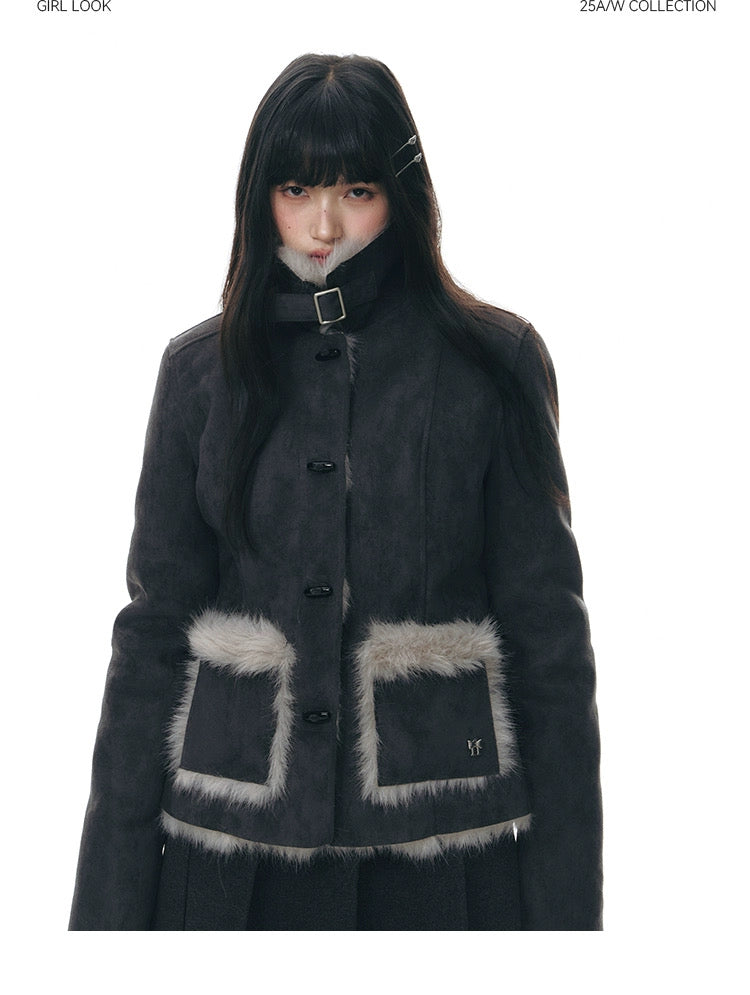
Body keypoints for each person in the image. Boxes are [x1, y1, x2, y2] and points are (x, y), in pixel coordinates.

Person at [69, 53, 603, 931]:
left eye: (357, 189)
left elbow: (551, 645)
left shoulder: (491, 364)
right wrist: (104, 923)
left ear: (403, 194)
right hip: (228, 865)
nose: (324, 224)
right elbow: (150, 638)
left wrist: (569, 925)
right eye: (296, 188)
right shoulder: (200, 372)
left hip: (443, 860)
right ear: (260, 198)